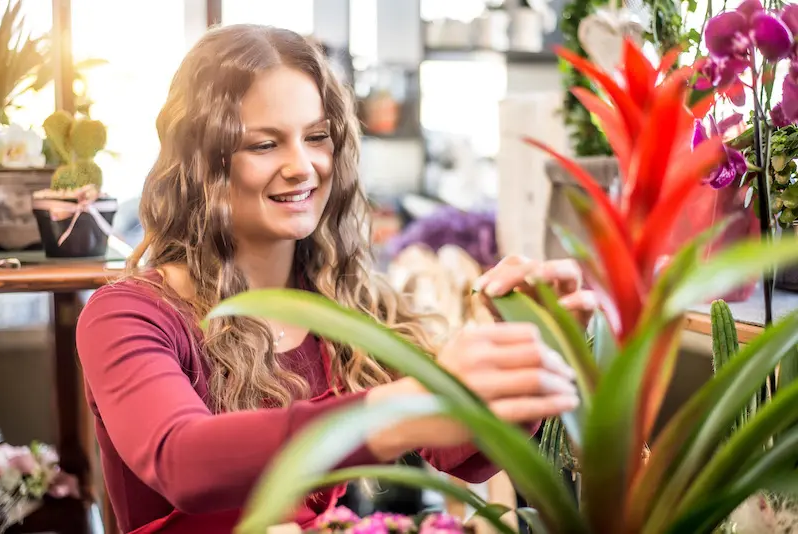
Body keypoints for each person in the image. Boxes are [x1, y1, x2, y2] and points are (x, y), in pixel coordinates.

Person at [75, 24, 595, 534]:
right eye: (264, 144)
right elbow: (184, 461)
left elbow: (465, 457)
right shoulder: (128, 315)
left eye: (317, 137)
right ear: (201, 161)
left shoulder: (344, 300)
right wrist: (410, 406)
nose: (303, 167)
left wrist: (523, 352)